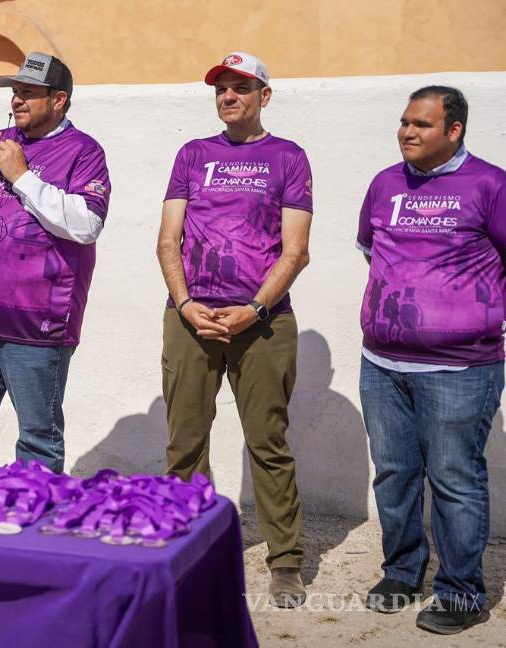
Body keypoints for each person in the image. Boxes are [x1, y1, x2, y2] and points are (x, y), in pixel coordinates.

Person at [155, 52, 313, 607]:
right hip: (191, 317)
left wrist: (256, 309)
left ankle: (285, 561)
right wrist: (185, 303)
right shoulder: (193, 155)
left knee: (267, 441)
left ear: (264, 95)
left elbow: (296, 251)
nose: (229, 96)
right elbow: (167, 239)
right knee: (185, 443)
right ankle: (187, 548)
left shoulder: (288, 157)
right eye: (222, 88)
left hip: (263, 323)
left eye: (241, 87)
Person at [357, 86, 504, 635]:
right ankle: (401, 573)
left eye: (421, 124)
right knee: (394, 475)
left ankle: (462, 592)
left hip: (461, 368)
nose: (408, 132)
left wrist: (465, 315)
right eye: (403, 122)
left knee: (454, 480)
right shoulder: (385, 184)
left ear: (454, 130)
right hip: (383, 363)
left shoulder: (490, 184)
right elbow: (374, 250)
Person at [0, 51, 111, 474]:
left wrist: (21, 176)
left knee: (37, 436)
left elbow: (86, 224)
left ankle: (34, 527)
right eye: (15, 93)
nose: (17, 101)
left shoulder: (83, 152)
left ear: (59, 100)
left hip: (38, 325)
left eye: (29, 94)